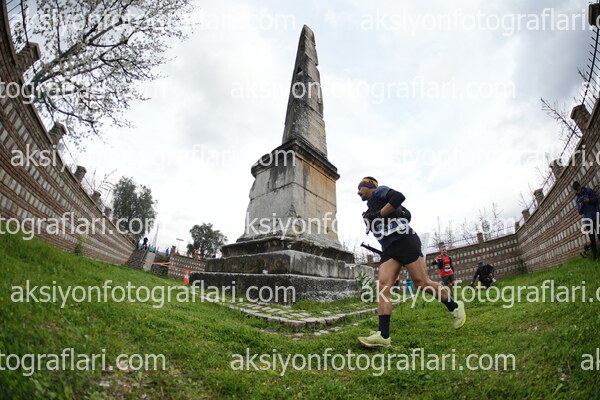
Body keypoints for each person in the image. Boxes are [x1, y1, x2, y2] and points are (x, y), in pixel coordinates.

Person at [356, 177, 466, 349]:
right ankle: (383, 335)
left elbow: (399, 197)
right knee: (383, 287)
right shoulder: (370, 208)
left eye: (360, 188)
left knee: (422, 283)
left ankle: (454, 305)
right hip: (389, 248)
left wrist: (377, 215)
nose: (358, 192)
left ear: (369, 186)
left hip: (404, 240)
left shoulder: (380, 192)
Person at [573, 181, 600, 260]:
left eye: (579, 189)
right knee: (592, 239)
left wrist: (588, 200)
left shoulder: (588, 191)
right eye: (576, 191)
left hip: (595, 217)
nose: (578, 191)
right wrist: (581, 206)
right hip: (588, 221)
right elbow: (580, 212)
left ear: (580, 186)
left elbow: (596, 200)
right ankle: (595, 256)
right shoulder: (577, 199)